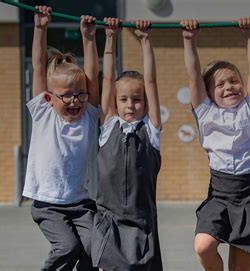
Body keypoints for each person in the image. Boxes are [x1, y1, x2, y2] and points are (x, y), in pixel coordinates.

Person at [181, 17, 250, 271]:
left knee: (240, 267)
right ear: (208, 93)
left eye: (233, 80)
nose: (229, 87)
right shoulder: (205, 112)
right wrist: (189, 40)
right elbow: (193, 75)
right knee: (203, 245)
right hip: (220, 190)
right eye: (219, 84)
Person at [23, 5, 99, 270]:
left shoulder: (88, 115)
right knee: (67, 247)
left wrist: (88, 38)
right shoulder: (44, 114)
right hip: (48, 204)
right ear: (49, 97)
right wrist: (41, 28)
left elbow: (92, 75)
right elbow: (38, 65)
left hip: (80, 203)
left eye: (80, 93)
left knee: (95, 246)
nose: (74, 100)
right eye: (66, 95)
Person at [90, 18, 163, 270]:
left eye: (137, 99)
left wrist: (145, 40)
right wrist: (110, 36)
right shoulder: (109, 125)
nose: (130, 105)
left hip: (141, 222)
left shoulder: (150, 130)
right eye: (123, 99)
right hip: (110, 222)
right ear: (115, 102)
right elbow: (107, 78)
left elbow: (151, 82)